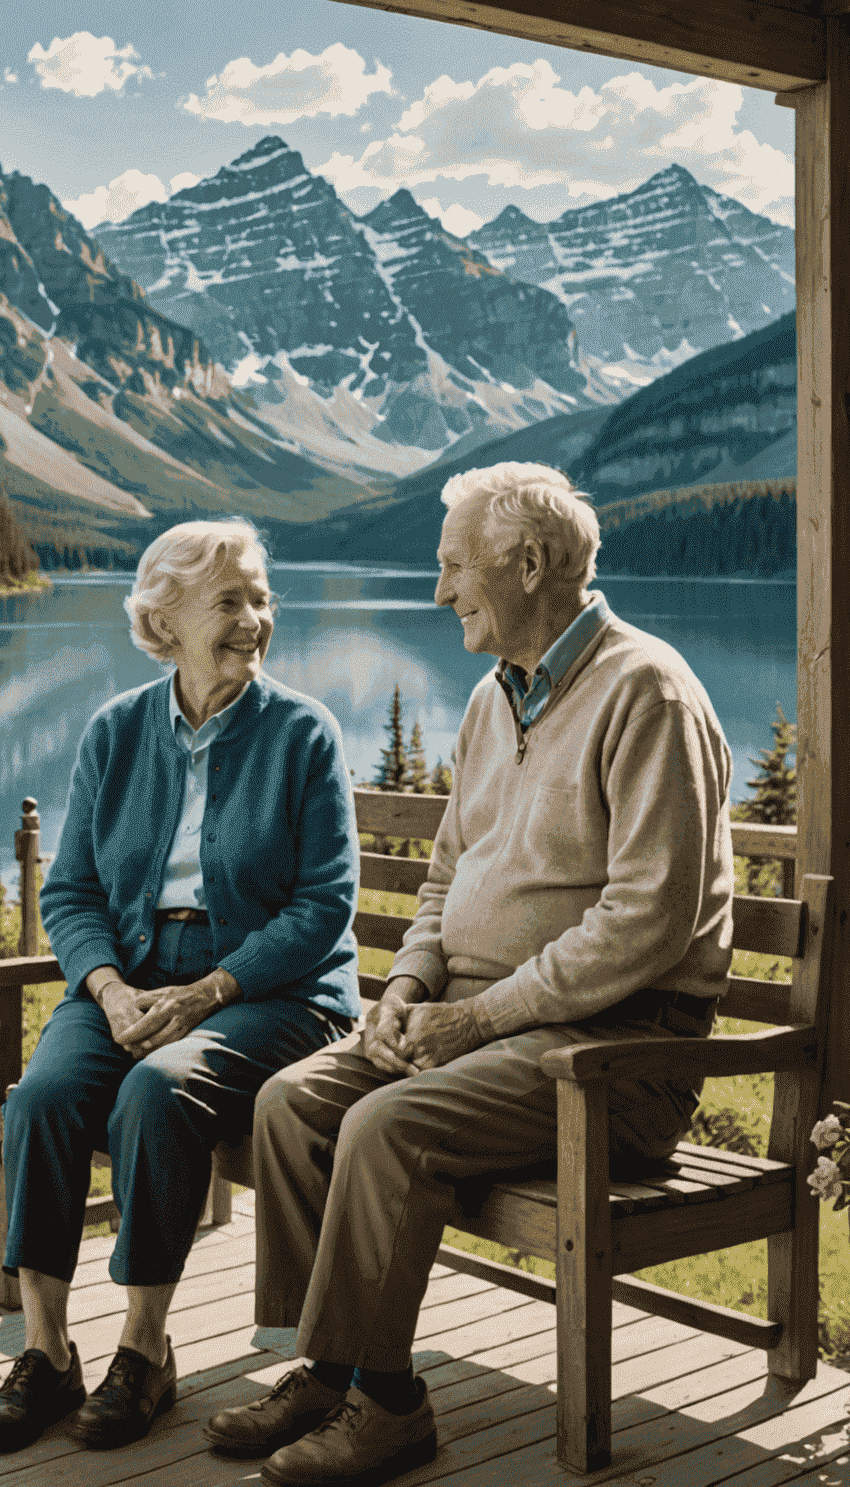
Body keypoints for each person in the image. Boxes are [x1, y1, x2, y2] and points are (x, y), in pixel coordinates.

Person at [204, 462, 735, 1487]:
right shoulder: (496, 699)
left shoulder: (647, 691)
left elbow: (647, 921)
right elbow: (451, 870)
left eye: (453, 568)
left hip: (618, 1055)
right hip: (483, 1028)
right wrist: (410, 985)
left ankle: (390, 1408)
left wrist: (482, 1017)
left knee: (385, 1127)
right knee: (292, 1102)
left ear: (528, 564)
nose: (440, 592)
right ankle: (331, 1367)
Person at [0, 519, 360, 1455]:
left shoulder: (303, 732)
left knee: (157, 1089)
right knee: (46, 1097)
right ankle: (50, 1353)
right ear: (166, 618)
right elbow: (71, 892)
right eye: (231, 601)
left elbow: (324, 906)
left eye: (262, 599)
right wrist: (106, 989)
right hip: (131, 981)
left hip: (279, 991)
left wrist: (209, 991)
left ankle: (144, 1351)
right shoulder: (115, 732)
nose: (256, 620)